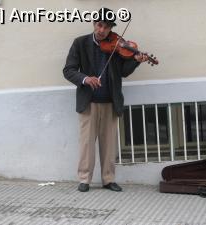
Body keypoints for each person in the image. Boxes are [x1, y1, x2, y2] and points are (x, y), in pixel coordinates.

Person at [63, 7, 148, 192]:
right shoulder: (80, 43)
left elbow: (124, 72)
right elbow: (68, 70)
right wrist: (85, 79)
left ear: (110, 29)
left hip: (110, 101)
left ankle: (108, 179)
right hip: (89, 102)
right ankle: (84, 179)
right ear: (94, 24)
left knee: (109, 144)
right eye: (100, 25)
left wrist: (136, 60)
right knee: (87, 144)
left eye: (107, 27)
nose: (102, 30)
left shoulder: (118, 44)